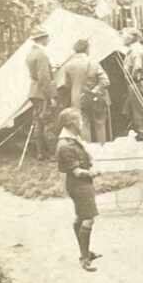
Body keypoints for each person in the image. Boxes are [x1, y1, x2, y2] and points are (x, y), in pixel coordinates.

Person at [55, 108, 102, 272]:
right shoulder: (65, 145)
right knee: (88, 218)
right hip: (79, 184)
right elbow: (76, 171)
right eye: (80, 120)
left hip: (78, 184)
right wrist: (93, 173)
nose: (82, 123)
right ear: (72, 123)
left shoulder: (71, 139)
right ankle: (84, 258)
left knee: (81, 217)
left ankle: (86, 252)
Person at [60, 39, 111, 144]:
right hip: (96, 98)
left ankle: (87, 150)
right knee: (100, 124)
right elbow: (105, 81)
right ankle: (102, 149)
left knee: (83, 124)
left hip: (78, 99)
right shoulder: (93, 63)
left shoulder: (68, 65)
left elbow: (67, 85)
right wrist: (94, 90)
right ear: (87, 49)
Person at [27, 28, 56, 161]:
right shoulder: (42, 55)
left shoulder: (31, 53)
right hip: (42, 93)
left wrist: (50, 69)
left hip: (34, 91)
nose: (49, 40)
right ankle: (52, 153)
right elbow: (44, 78)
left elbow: (37, 74)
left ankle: (40, 153)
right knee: (48, 122)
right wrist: (51, 97)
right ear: (42, 39)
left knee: (38, 122)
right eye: (47, 37)